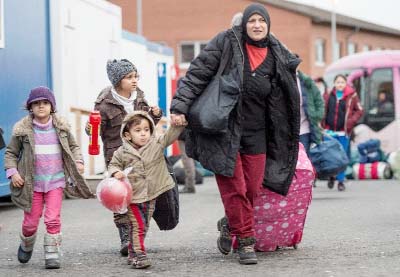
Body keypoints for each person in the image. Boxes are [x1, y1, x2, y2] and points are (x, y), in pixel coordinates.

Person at [170, 3, 300, 265]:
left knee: (252, 189)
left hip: (258, 132)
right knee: (235, 189)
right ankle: (245, 241)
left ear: (267, 24)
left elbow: (287, 96)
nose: (256, 25)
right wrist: (179, 106)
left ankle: (230, 223)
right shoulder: (226, 42)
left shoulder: (277, 53)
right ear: (244, 24)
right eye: (251, 20)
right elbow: (197, 73)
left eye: (261, 21)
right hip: (223, 130)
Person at [4, 86, 94, 269]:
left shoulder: (61, 128)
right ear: (30, 107)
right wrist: (13, 172)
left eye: (45, 103)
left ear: (52, 106)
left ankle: (52, 252)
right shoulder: (23, 130)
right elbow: (11, 153)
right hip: (32, 184)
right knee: (30, 222)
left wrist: (79, 161)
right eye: (36, 104)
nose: (41, 107)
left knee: (53, 219)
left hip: (55, 182)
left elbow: (74, 147)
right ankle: (26, 244)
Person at [89, 59, 162, 256]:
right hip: (117, 155)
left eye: (135, 76)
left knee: (142, 194)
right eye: (129, 77)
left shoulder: (140, 97)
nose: (134, 80)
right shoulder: (104, 103)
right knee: (120, 194)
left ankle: (137, 233)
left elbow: (147, 125)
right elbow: (96, 130)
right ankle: (124, 234)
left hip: (141, 154)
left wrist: (156, 115)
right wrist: (91, 129)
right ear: (117, 80)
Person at [108, 111, 184, 269]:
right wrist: (116, 173)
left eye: (146, 130)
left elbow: (169, 136)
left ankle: (131, 251)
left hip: (151, 194)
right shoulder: (122, 152)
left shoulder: (156, 144)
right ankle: (139, 255)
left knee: (144, 225)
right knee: (139, 225)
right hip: (133, 197)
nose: (143, 134)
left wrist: (177, 125)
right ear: (127, 135)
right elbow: (113, 165)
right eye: (138, 130)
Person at [322, 74, 363, 191]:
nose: (340, 84)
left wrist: (351, 121)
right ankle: (331, 177)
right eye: (338, 82)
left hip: (343, 132)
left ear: (346, 84)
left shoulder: (352, 95)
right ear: (334, 84)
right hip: (329, 132)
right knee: (330, 157)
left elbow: (360, 110)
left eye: (342, 82)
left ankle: (340, 181)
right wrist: (321, 123)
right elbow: (322, 109)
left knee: (342, 157)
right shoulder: (328, 95)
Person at [297, 70, 325, 156]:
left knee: (304, 158)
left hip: (305, 129)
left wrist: (316, 116)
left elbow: (319, 100)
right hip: (288, 131)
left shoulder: (306, 81)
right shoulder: (283, 79)